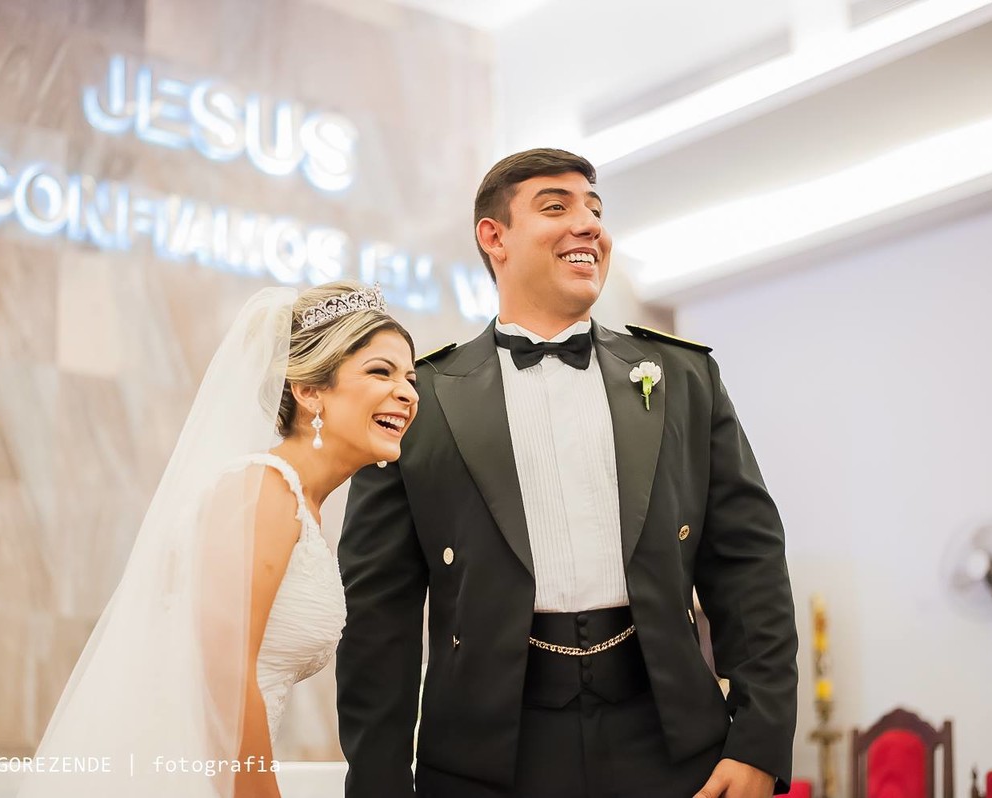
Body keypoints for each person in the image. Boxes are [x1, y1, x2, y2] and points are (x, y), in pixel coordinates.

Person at [336, 149, 798, 798]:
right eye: (556, 207)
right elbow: (377, 618)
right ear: (494, 237)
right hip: (484, 759)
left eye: (595, 210)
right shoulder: (420, 398)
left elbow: (749, 564)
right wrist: (379, 784)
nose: (588, 225)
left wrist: (758, 740)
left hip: (673, 745)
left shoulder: (684, 377)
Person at [19, 281, 418, 798]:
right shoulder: (264, 491)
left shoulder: (298, 502)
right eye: (381, 372)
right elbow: (224, 677)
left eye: (409, 377)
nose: (408, 393)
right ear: (309, 390)